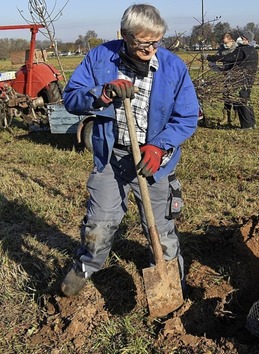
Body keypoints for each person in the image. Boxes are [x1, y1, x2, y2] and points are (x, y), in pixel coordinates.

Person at [60, 4, 199, 297]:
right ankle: (85, 265)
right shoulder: (100, 58)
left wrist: (159, 148)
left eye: (156, 42)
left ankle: (172, 288)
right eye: (143, 42)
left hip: (154, 160)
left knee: (162, 232)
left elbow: (187, 117)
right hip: (112, 157)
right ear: (124, 35)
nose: (150, 48)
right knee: (98, 225)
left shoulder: (173, 67)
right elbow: (71, 98)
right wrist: (103, 93)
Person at [207, 30, 258, 129]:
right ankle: (252, 123)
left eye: (243, 38)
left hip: (241, 79)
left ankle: (246, 126)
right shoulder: (253, 50)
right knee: (247, 100)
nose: (240, 39)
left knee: (241, 101)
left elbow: (228, 58)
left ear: (247, 40)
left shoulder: (242, 50)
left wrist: (209, 57)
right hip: (249, 79)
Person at [209, 33, 237, 126]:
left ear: (230, 39)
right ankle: (226, 117)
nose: (223, 41)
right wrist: (215, 66)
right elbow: (217, 57)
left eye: (224, 39)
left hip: (235, 74)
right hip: (225, 73)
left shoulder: (236, 48)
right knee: (226, 95)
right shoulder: (221, 48)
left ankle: (235, 117)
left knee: (234, 95)